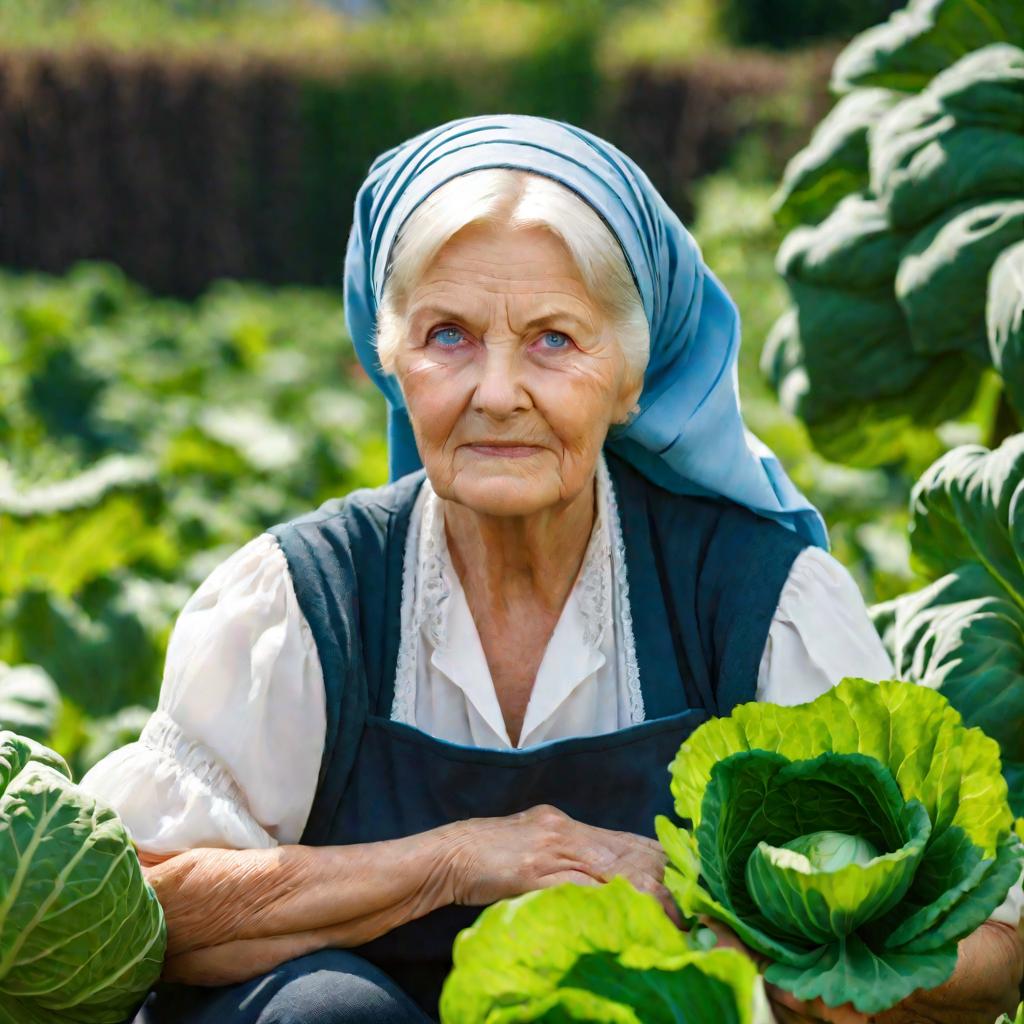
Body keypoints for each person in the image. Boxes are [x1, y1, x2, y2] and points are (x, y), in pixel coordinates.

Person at [82, 115, 1023, 1024]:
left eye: (554, 340)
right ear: (389, 358)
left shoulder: (755, 600)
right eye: (447, 335)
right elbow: (134, 904)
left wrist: (735, 930)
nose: (496, 393)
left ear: (631, 377)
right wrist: (457, 860)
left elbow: (992, 953)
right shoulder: (300, 598)